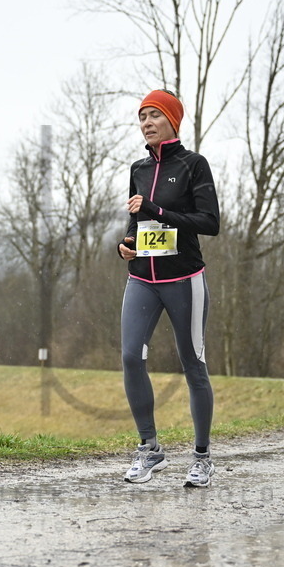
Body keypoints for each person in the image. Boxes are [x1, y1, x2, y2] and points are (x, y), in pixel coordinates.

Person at [117, 89, 220, 487]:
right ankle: (149, 448)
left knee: (192, 363)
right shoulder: (139, 168)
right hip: (142, 278)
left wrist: (157, 210)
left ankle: (202, 457)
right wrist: (127, 243)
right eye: (142, 117)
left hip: (183, 279)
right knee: (131, 357)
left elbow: (209, 222)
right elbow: (136, 221)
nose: (146, 123)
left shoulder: (194, 165)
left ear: (172, 120)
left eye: (154, 115)